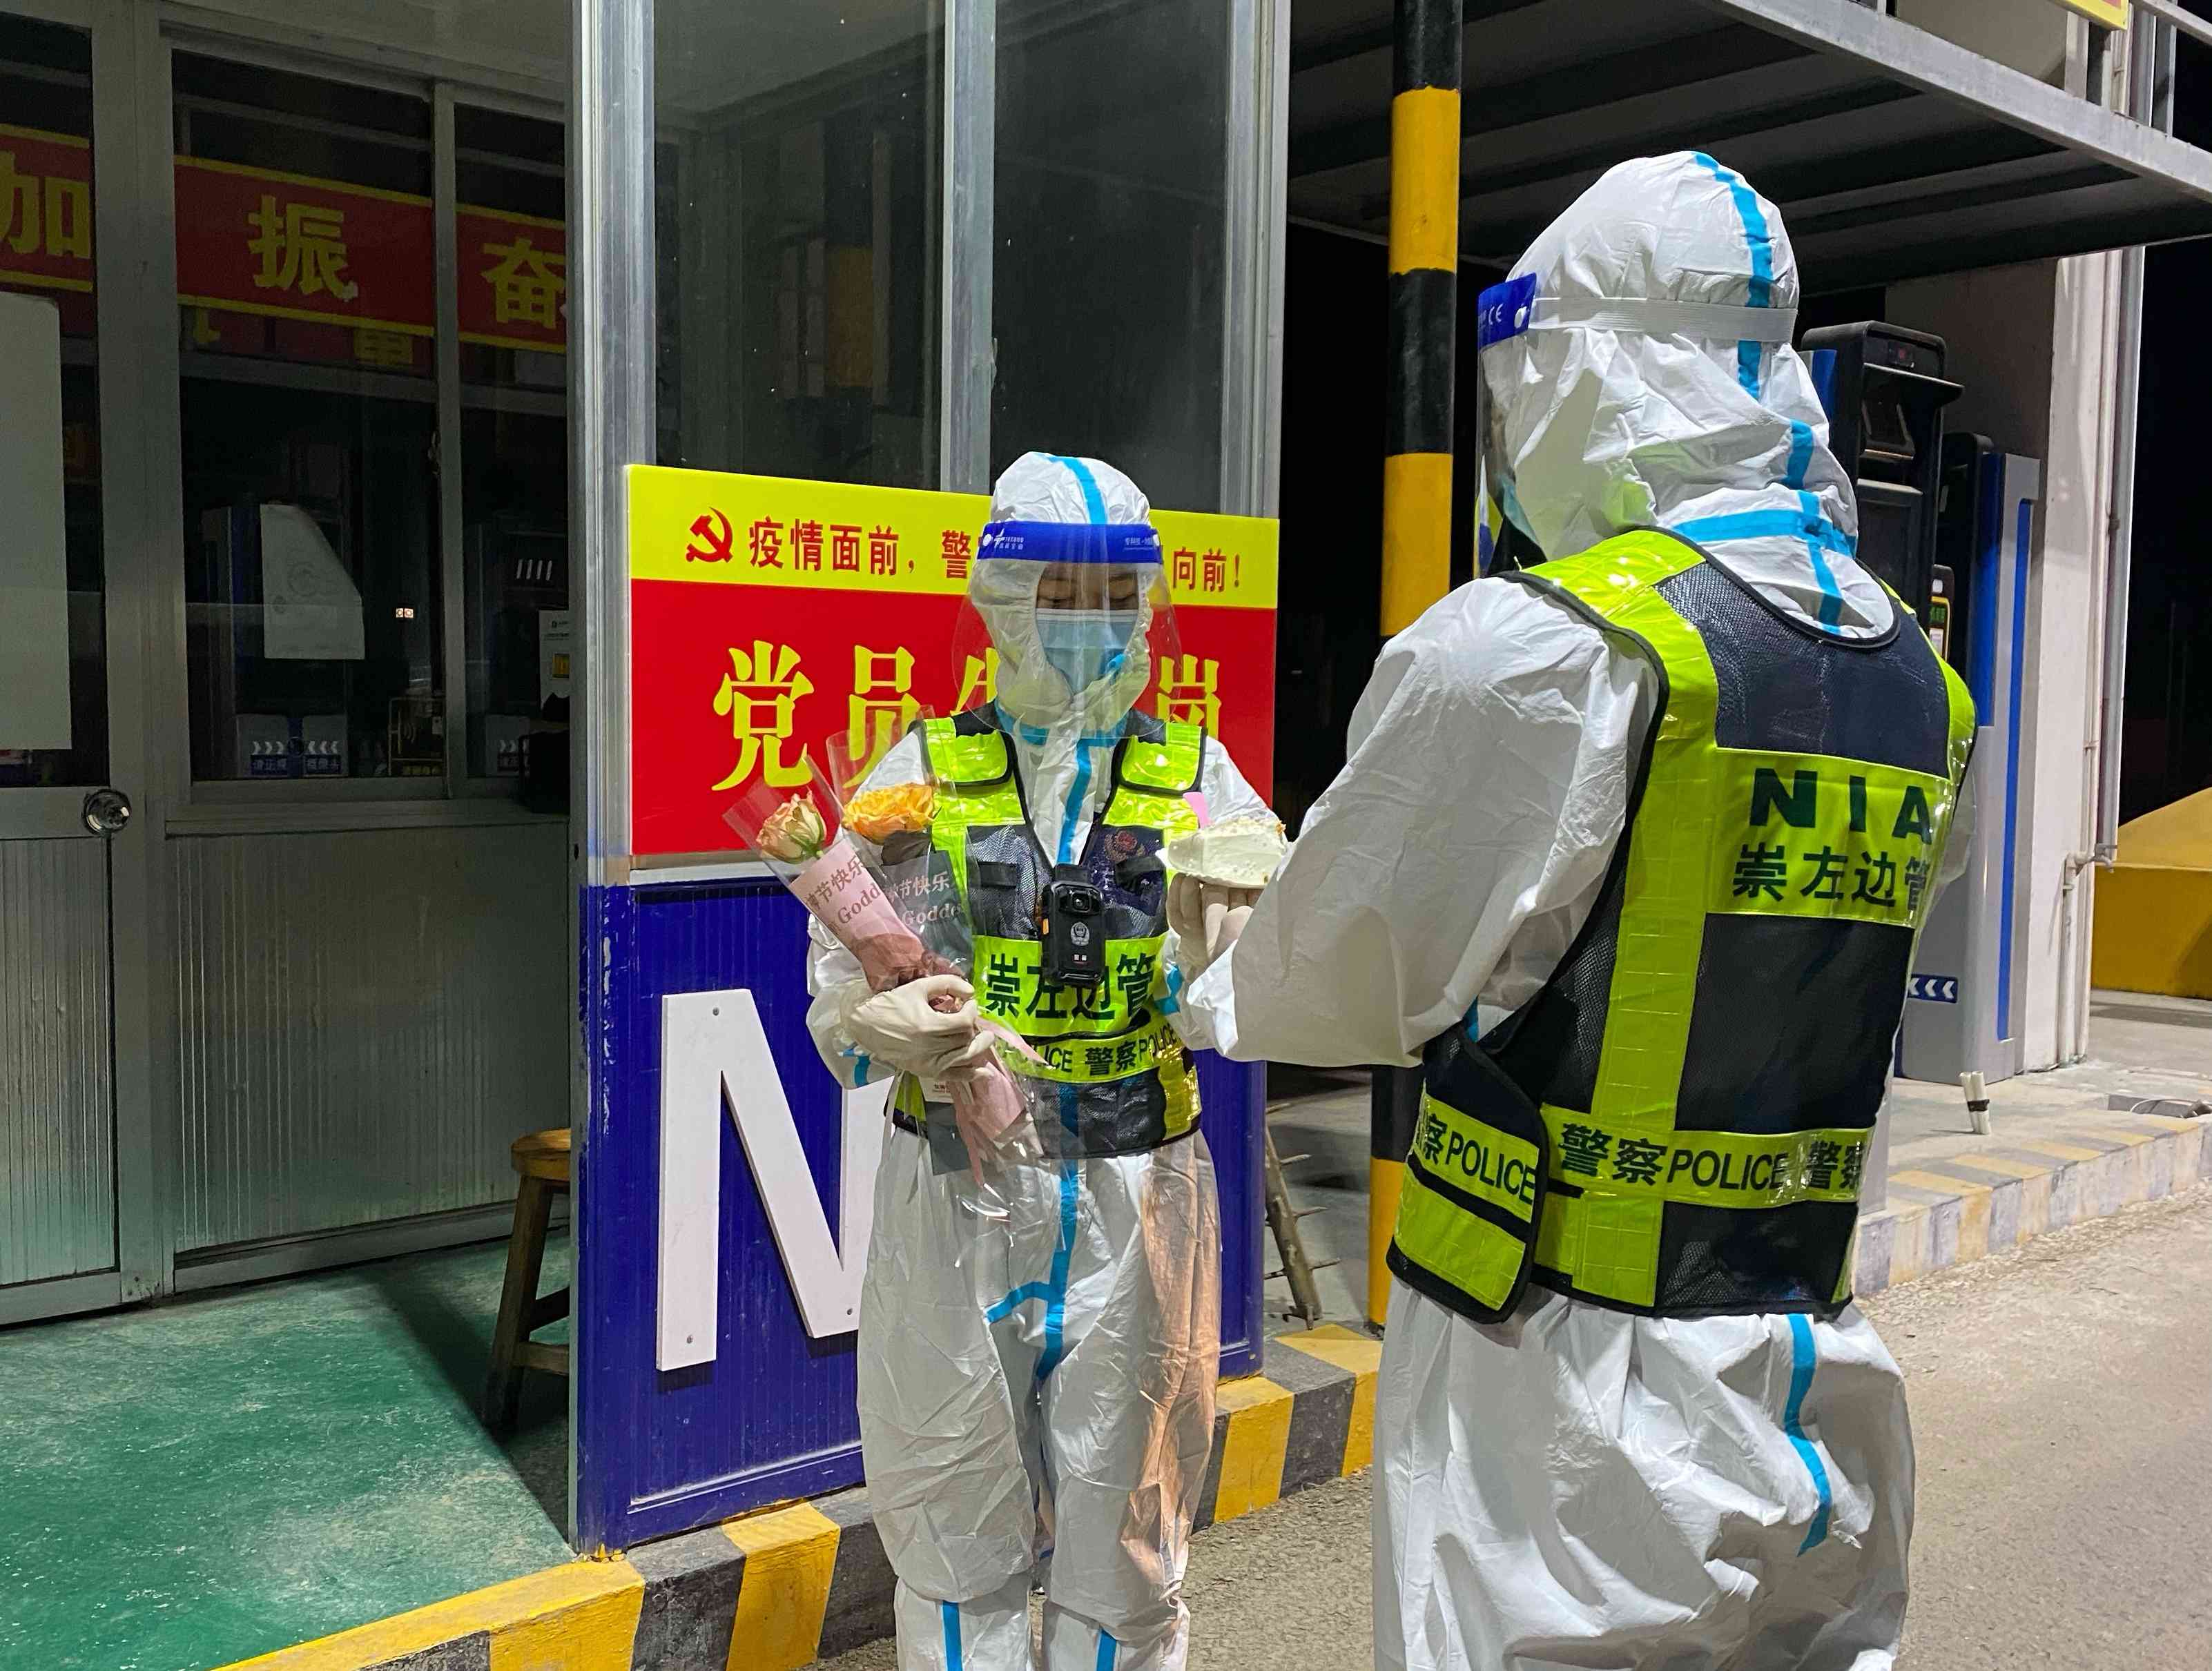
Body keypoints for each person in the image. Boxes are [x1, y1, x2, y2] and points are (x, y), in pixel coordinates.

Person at [1171, 153, 1976, 1670]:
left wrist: (1210, 941)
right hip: (1820, 1375)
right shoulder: (1915, 684)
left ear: (1573, 375)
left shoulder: (1541, 649)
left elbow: (1328, 983)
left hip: (1571, 1404)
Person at [806, 451, 1272, 1671]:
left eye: (1111, 594)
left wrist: (1222, 959)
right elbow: (836, 978)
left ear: (1149, 602)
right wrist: (871, 1025)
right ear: (997, 598)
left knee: (1130, 1532)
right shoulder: (919, 772)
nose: (1085, 622)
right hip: (957, 1187)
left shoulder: (1202, 779)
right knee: (952, 1527)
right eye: (1054, 591)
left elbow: (1260, 983)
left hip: (1140, 1189)